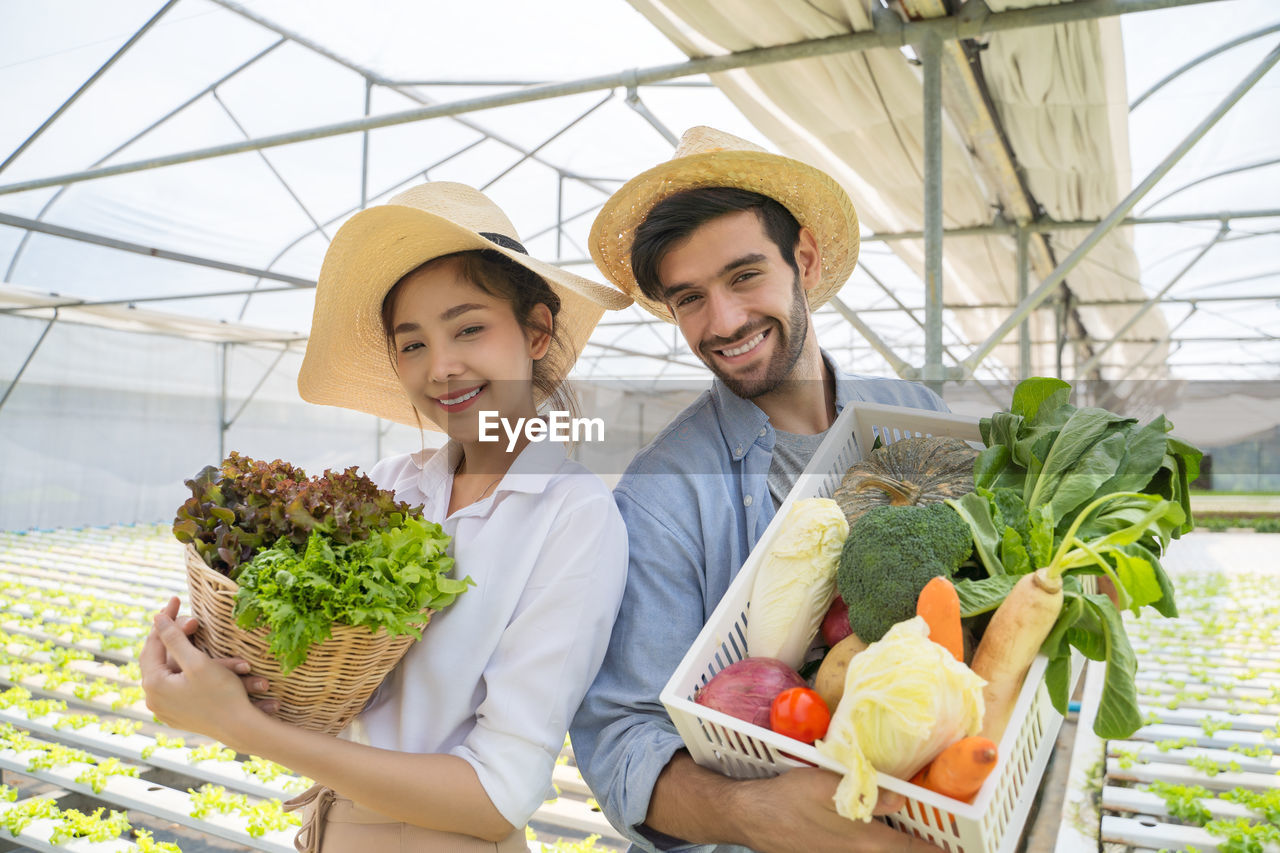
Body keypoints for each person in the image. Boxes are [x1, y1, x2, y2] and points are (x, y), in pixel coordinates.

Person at [141, 182, 632, 852]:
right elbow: (309, 689)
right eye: (413, 344)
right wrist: (198, 667)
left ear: (537, 330)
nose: (442, 366)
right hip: (330, 828)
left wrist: (241, 726)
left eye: (469, 328)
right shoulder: (391, 487)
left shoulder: (573, 515)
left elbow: (497, 796)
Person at [570, 127, 950, 853]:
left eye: (745, 276)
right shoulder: (661, 494)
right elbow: (620, 735)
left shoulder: (919, 416)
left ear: (803, 258)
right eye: (690, 299)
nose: (724, 322)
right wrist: (753, 814)